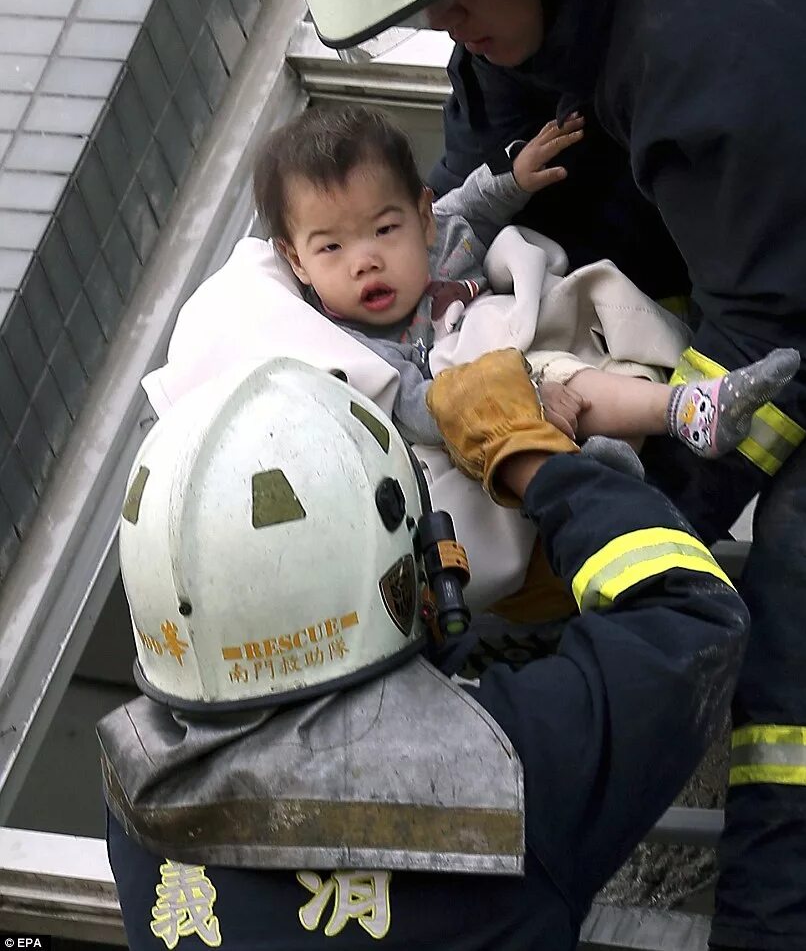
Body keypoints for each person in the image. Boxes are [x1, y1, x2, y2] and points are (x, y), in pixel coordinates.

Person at [273, 0, 806, 948]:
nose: (441, 27)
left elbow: (792, 348)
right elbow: (495, 176)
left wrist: (604, 529)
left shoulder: (716, 25)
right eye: (422, 10)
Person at [100, 349, 749, 951]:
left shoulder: (137, 787)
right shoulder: (518, 769)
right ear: (398, 578)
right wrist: (539, 461)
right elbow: (694, 615)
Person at [254, 104, 798, 459]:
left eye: (383, 228)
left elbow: (470, 206)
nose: (365, 260)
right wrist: (514, 393)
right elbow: (414, 406)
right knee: (567, 380)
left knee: (604, 307)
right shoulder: (350, 344)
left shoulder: (438, 235)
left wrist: (515, 178)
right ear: (295, 261)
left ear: (420, 217)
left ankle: (642, 433)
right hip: (499, 397)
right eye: (331, 247)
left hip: (549, 336)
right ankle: (688, 411)